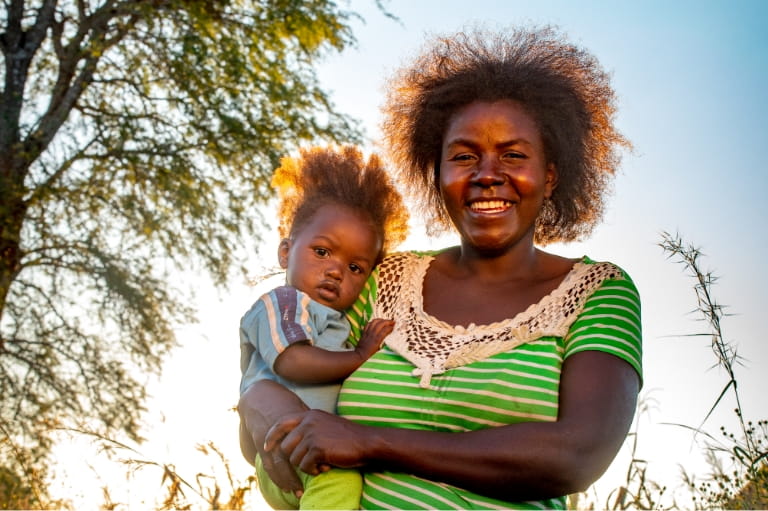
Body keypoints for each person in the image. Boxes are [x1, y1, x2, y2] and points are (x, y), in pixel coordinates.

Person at [239, 26, 642, 510]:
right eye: (463, 156)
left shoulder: (600, 293)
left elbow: (578, 456)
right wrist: (257, 406)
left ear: (551, 175)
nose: (487, 174)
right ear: (438, 175)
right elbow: (285, 388)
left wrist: (371, 441)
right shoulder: (382, 279)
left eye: (513, 155)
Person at [238, 145, 409, 509]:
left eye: (355, 268)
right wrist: (362, 355)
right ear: (286, 252)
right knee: (340, 478)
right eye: (322, 252)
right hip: (288, 448)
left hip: (309, 450)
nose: (335, 270)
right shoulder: (282, 302)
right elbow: (293, 362)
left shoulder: (339, 320)